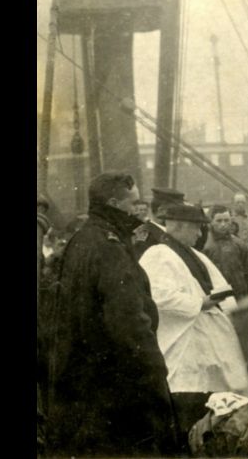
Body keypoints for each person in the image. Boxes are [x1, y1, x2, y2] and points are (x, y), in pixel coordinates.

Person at [43, 172, 178, 457]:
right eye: (134, 202)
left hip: (82, 382)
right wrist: (155, 372)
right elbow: (128, 323)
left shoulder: (81, 240)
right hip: (115, 383)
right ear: (115, 203)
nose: (138, 210)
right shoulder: (110, 248)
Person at [139, 204, 248, 447]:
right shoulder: (158, 255)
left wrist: (230, 309)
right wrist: (199, 303)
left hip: (208, 337)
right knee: (188, 394)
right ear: (178, 226)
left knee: (216, 395)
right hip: (183, 340)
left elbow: (221, 286)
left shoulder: (195, 255)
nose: (200, 234)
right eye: (196, 228)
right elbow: (157, 295)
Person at [203, 205, 248, 297]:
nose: (223, 224)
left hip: (239, 293)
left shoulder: (238, 243)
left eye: (226, 220)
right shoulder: (205, 244)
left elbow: (247, 271)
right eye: (219, 221)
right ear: (211, 222)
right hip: (217, 293)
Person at [133, 187, 185, 259]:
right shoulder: (147, 235)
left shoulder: (167, 234)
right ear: (161, 211)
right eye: (177, 211)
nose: (181, 216)